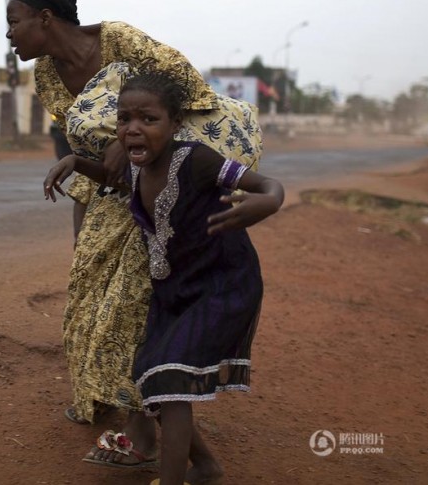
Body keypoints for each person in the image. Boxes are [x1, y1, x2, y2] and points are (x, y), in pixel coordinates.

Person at [7, 0, 263, 468]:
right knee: (86, 295)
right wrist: (83, 232)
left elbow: (190, 88)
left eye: (14, 23)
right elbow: (83, 147)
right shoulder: (45, 76)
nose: (10, 35)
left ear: (45, 18)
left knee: (132, 305)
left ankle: (143, 434)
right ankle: (109, 399)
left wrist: (129, 140)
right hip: (112, 186)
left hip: (162, 182)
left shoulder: (119, 40)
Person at [44, 72, 284, 484]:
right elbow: (109, 175)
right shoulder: (137, 168)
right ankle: (206, 467)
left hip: (220, 285)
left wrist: (266, 202)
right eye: (124, 119)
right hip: (173, 289)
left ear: (174, 124)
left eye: (148, 119)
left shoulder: (195, 160)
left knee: (169, 378)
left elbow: (268, 185)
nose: (133, 128)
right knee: (151, 377)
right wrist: (75, 162)